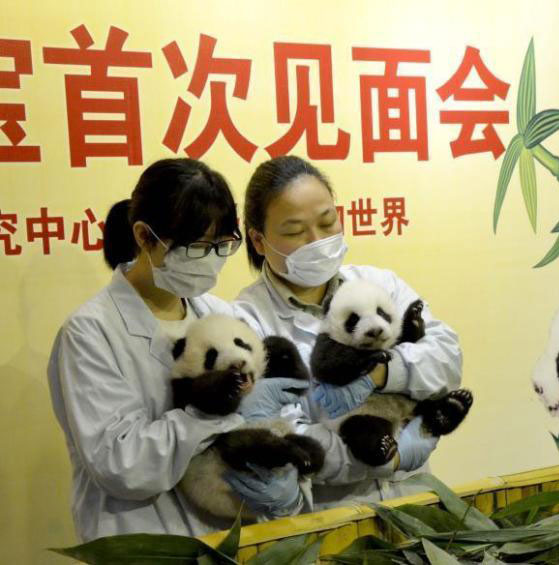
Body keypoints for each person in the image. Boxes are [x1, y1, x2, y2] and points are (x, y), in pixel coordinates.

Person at [47, 159, 307, 541]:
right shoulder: (91, 332)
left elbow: (286, 413)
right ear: (144, 236)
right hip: (147, 537)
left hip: (237, 535)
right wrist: (216, 410)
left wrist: (289, 482)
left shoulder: (221, 314)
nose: (213, 260)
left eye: (222, 245)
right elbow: (122, 464)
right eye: (197, 247)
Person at [235, 155, 463, 509]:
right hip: (336, 516)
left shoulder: (378, 283)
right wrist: (389, 457)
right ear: (259, 240)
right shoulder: (247, 323)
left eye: (328, 222)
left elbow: (445, 357)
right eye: (296, 231)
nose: (317, 240)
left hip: (418, 502)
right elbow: (289, 436)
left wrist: (384, 372)